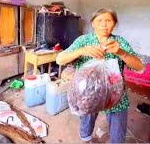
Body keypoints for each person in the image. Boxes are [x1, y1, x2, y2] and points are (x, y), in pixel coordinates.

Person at [56, 8, 144, 143]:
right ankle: (86, 138)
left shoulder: (119, 42)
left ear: (114, 24)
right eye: (99, 20)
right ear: (93, 24)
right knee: (87, 118)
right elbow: (60, 59)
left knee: (118, 134)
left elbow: (140, 67)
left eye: (108, 21)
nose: (103, 24)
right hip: (87, 94)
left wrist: (121, 53)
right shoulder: (84, 40)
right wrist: (81, 51)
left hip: (115, 95)